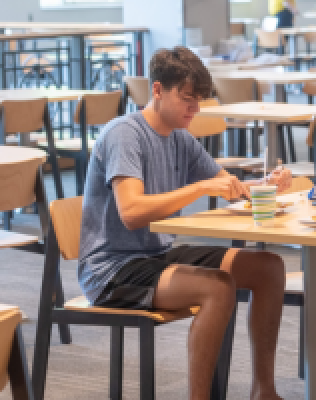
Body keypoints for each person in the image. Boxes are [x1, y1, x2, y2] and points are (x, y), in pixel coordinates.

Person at [78, 47, 291, 400]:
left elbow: (229, 187)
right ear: (158, 90)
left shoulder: (179, 135)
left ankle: (263, 391)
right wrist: (200, 187)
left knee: (268, 267)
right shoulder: (125, 134)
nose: (194, 110)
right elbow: (131, 212)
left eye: (200, 102)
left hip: (155, 255)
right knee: (217, 287)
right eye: (187, 100)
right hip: (110, 270)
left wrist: (265, 185)